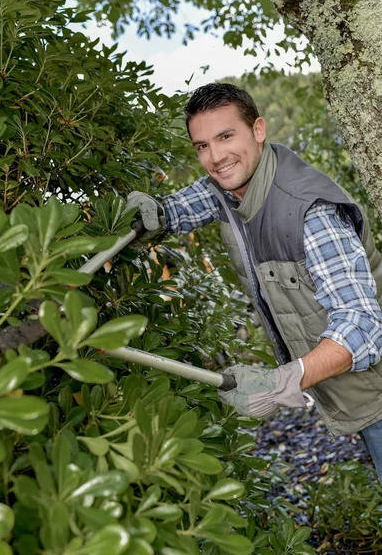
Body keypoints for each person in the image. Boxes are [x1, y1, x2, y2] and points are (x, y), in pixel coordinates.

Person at [127, 83, 382, 479]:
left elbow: (362, 326)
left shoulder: (309, 213)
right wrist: (153, 213)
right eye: (202, 146)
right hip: (355, 392)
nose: (215, 157)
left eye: (226, 136)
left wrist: (282, 381)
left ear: (258, 130)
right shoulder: (230, 187)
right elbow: (184, 207)